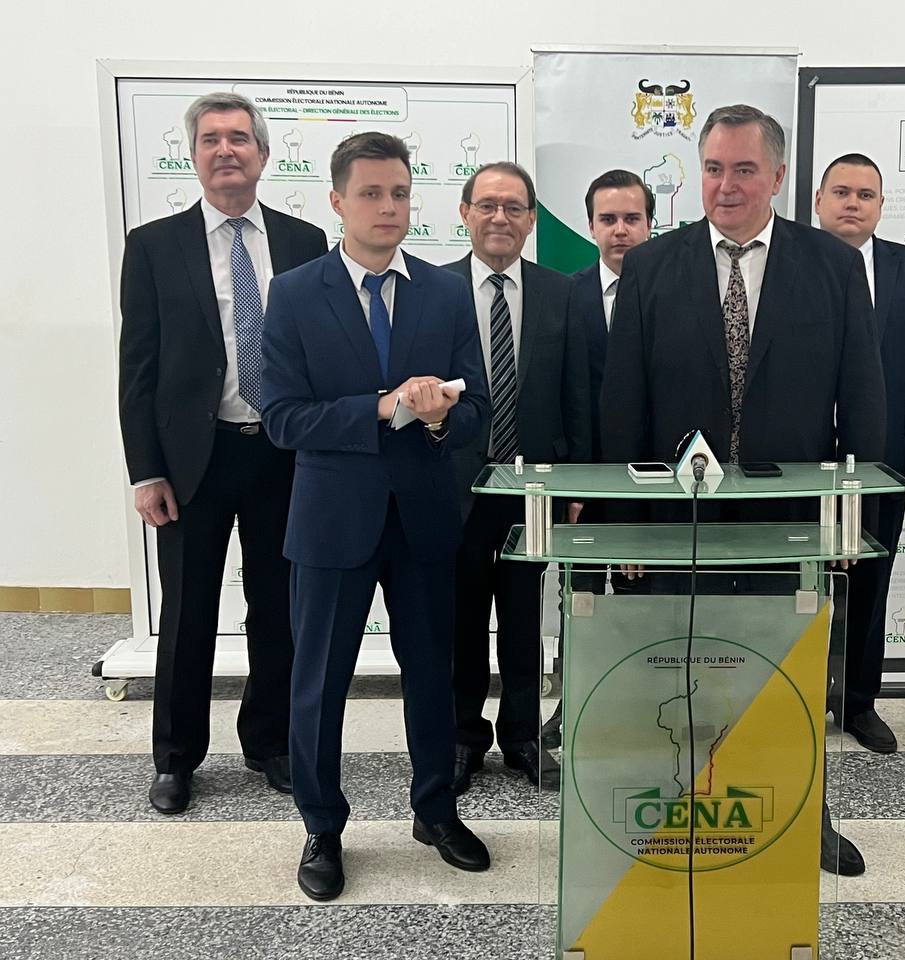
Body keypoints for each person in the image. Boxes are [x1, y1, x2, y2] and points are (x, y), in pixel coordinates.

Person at [600, 104, 887, 876]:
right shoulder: (651, 266)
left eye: (745, 169)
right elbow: (623, 405)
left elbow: (863, 398)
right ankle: (675, 807)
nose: (726, 185)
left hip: (787, 522)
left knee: (785, 673)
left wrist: (848, 516)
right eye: (714, 168)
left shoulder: (831, 266)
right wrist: (628, 526)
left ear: (779, 176)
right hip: (676, 522)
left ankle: (802, 810)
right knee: (676, 674)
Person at [261, 131, 492, 900]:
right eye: (370, 193)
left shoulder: (445, 293)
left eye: (399, 193)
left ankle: (436, 810)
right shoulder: (296, 293)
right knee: (319, 682)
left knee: (432, 673)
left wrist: (439, 416)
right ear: (337, 201)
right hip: (332, 520)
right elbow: (283, 418)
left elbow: (477, 412)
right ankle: (322, 826)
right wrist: (384, 408)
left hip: (423, 517)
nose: (388, 207)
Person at [118, 92, 327, 815]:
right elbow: (138, 368)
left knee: (279, 608)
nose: (226, 149)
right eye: (211, 139)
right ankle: (176, 757)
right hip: (192, 462)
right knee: (188, 613)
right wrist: (146, 470)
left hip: (281, 454)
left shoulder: (304, 241)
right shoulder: (154, 244)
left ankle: (270, 743)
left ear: (263, 155)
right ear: (194, 155)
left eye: (239, 137)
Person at [442, 162, 591, 796]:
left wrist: (576, 483)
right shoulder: (435, 290)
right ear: (465, 214)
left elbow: (579, 395)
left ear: (531, 220)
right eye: (487, 205)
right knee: (460, 619)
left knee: (526, 619)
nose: (499, 217)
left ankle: (524, 736)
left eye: (513, 207)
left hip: (535, 489)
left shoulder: (563, 292)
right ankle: (462, 737)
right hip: (455, 488)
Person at [814, 153, 905, 753]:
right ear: (818, 201)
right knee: (797, 582)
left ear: (880, 206)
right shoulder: (791, 262)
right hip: (799, 460)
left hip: (882, 460)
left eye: (865, 194)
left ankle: (858, 700)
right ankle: (789, 695)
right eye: (841, 192)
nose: (853, 203)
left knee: (871, 581)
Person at [541, 168, 655, 751]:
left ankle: (643, 710)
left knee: (646, 604)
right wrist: (573, 487)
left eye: (631, 218)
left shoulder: (674, 295)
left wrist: (642, 507)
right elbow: (565, 398)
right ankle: (576, 703)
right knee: (580, 603)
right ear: (590, 226)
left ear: (651, 224)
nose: (620, 230)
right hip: (584, 485)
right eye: (608, 219)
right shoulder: (567, 295)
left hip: (653, 486)